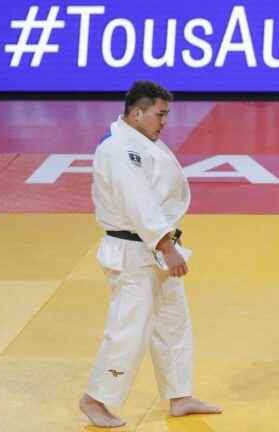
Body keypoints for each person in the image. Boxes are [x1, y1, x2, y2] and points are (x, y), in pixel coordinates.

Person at [79, 81, 221, 427]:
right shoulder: (117, 148)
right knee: (129, 328)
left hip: (150, 248)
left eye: (167, 114)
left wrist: (163, 244)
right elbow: (138, 201)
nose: (164, 122)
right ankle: (96, 398)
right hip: (134, 251)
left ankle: (179, 394)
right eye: (160, 114)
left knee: (173, 321)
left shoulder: (139, 141)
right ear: (137, 112)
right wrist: (166, 245)